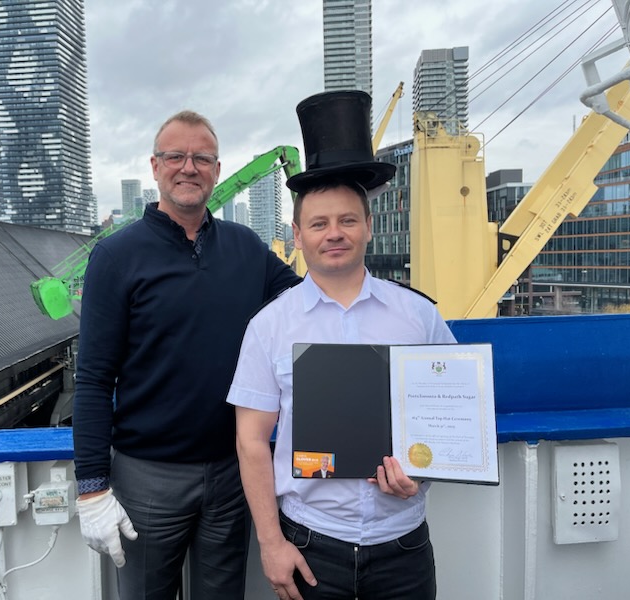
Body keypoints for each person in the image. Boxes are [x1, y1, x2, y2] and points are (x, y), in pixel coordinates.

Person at [227, 90, 456, 600]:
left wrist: (423, 473)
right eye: (319, 224)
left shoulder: (419, 316)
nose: (335, 233)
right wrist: (271, 543)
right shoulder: (269, 326)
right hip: (310, 543)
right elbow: (250, 440)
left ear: (368, 227)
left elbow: (451, 411)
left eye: (348, 220)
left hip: (403, 544)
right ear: (298, 234)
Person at [72, 109, 301, 599]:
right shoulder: (115, 257)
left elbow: (305, 301)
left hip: (233, 471)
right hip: (147, 477)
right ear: (155, 167)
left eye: (202, 158)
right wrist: (91, 487)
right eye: (176, 156)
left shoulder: (245, 246)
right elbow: (92, 378)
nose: (189, 167)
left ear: (218, 171)